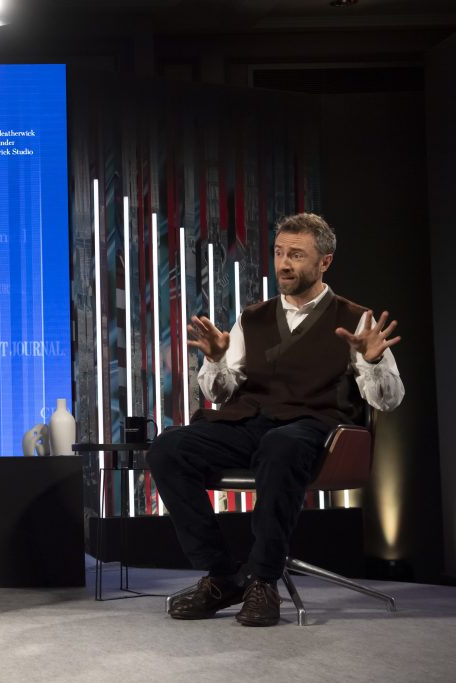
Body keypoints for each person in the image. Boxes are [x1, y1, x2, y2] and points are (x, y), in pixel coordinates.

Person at [148, 212, 404, 627]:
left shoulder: (356, 319)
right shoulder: (253, 318)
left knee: (280, 445)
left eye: (296, 255)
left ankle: (263, 580)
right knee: (168, 449)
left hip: (313, 428)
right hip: (251, 423)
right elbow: (220, 393)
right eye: (279, 252)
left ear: (325, 261)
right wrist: (215, 360)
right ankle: (222, 576)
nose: (283, 263)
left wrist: (372, 363)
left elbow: (388, 401)